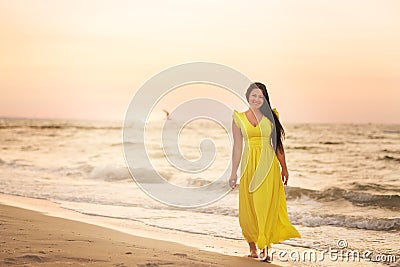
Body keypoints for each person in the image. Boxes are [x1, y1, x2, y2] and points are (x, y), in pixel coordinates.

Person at [229, 82, 300, 261]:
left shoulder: (271, 117)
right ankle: (252, 246)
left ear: (265, 99)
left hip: (268, 167)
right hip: (249, 167)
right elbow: (237, 147)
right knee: (249, 207)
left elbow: (277, 145)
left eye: (261, 96)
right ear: (248, 97)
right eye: (254, 95)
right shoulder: (239, 118)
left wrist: (284, 167)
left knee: (264, 206)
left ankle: (265, 247)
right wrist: (233, 172)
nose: (257, 99)